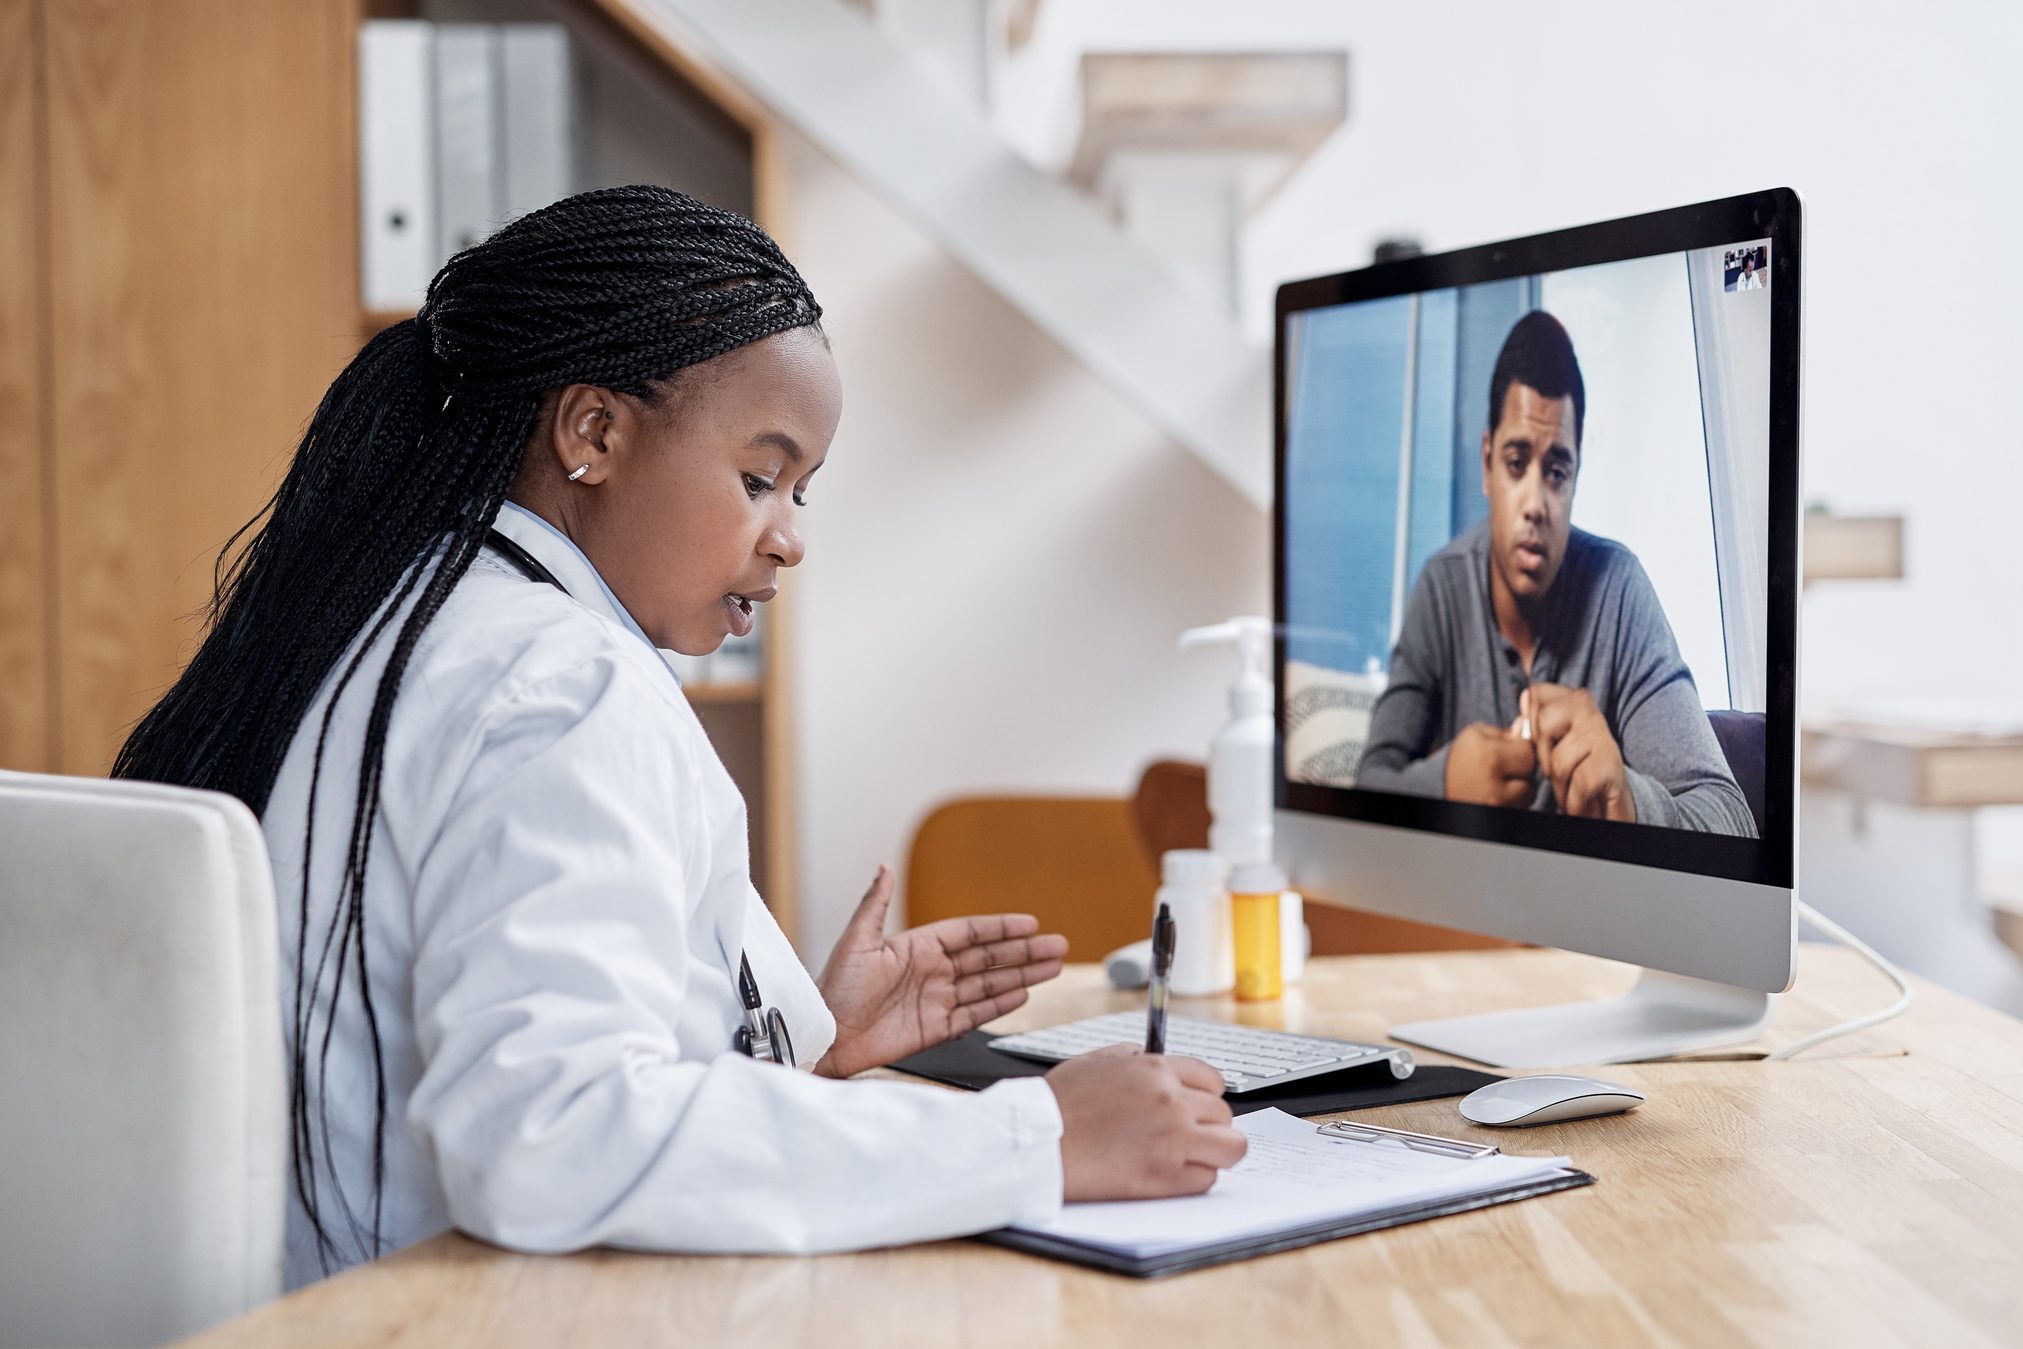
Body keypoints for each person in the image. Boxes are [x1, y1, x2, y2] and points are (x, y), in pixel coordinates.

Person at [115, 186, 1245, 1288]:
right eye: (760, 477)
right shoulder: (561, 684)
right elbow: (549, 1135)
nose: (790, 537)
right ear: (593, 431)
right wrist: (1037, 1136)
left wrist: (804, 1030)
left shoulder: (421, 616)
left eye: (802, 491)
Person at [1355, 310, 1756, 836]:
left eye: (1557, 473)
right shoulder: (1442, 587)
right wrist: (1445, 783)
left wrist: (1628, 800)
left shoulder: (1620, 591)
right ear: (1486, 464)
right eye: (1516, 463)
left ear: (1575, 480)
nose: (1536, 505)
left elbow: (1733, 818)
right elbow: (1365, 790)